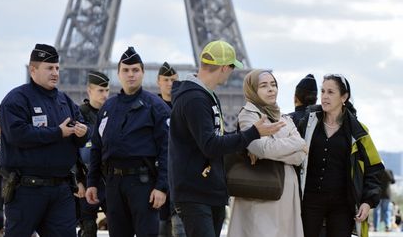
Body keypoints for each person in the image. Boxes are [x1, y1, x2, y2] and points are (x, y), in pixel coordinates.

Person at [168, 40, 286, 237]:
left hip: (207, 189)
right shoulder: (195, 99)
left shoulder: (205, 96)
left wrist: (245, 143)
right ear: (223, 68)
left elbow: (215, 139)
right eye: (231, 68)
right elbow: (210, 145)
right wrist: (252, 134)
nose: (232, 73)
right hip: (196, 191)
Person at [0, 43, 89, 237]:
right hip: (26, 191)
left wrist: (83, 133)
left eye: (57, 68)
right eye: (49, 68)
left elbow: (81, 134)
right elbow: (18, 135)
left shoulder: (65, 101)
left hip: (61, 190)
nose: (55, 72)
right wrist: (57, 132)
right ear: (33, 70)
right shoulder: (16, 100)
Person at [85, 46, 170, 237]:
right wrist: (92, 182)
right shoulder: (108, 108)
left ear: (142, 73)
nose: (130, 74)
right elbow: (97, 148)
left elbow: (167, 150)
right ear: (118, 74)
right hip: (113, 185)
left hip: (144, 184)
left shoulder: (156, 107)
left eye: (135, 70)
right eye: (125, 70)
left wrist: (162, 187)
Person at [298, 74, 384, 237]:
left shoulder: (359, 132)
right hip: (309, 201)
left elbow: (375, 168)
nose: (324, 96)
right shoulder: (307, 123)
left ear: (344, 97)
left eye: (330, 92)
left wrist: (367, 201)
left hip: (342, 205)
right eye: (322, 91)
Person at [227, 69, 307, 237]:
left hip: (285, 193)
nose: (271, 89)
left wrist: (274, 149)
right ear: (252, 90)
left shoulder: (284, 118)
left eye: (273, 84)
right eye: (264, 85)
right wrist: (298, 143)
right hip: (259, 190)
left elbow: (300, 156)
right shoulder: (248, 115)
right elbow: (261, 148)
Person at [77, 71, 110, 237]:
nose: (104, 94)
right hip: (86, 177)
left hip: (109, 179)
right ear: (89, 90)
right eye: (100, 90)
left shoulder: (112, 112)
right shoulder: (78, 114)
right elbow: (70, 150)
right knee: (88, 228)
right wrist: (77, 180)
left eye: (107, 90)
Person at [155, 62, 185, 237]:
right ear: (159, 81)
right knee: (160, 227)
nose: (169, 83)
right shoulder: (151, 107)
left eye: (173, 80)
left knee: (179, 228)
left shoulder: (184, 107)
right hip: (158, 173)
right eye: (166, 79)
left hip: (180, 174)